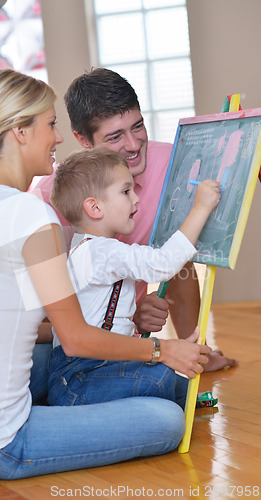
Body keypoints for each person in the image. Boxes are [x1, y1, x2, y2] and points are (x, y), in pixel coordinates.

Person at [0, 68, 212, 480]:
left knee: (59, 360)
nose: (58, 137)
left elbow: (16, 323)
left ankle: (70, 407)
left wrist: (126, 321)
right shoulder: (33, 216)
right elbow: (76, 339)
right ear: (20, 132)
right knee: (167, 420)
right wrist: (161, 351)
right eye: (50, 124)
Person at [35, 67, 238, 372]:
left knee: (180, 256)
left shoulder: (174, 164)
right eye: (115, 136)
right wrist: (123, 323)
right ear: (83, 139)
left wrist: (133, 314)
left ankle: (196, 350)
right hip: (77, 334)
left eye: (138, 126)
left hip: (127, 317)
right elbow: (46, 311)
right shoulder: (51, 196)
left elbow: (176, 256)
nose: (132, 144)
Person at [47, 147, 221, 408]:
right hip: (81, 376)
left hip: (93, 369)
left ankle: (176, 402)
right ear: (94, 207)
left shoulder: (91, 249)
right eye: (126, 191)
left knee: (176, 382)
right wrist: (201, 208)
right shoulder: (100, 251)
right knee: (161, 379)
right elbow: (162, 264)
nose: (137, 200)